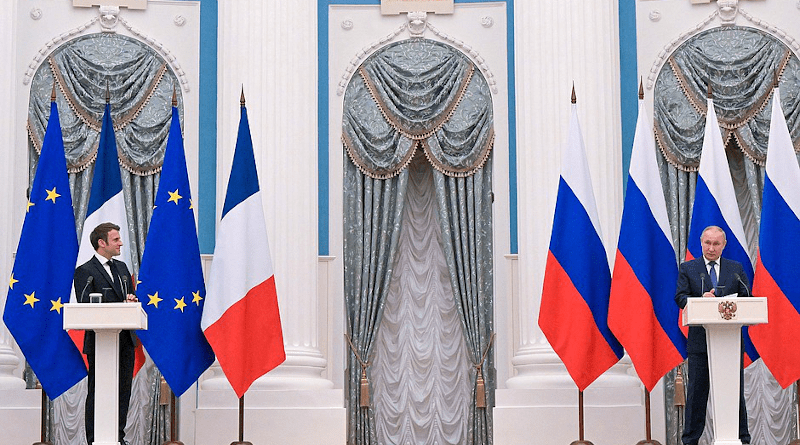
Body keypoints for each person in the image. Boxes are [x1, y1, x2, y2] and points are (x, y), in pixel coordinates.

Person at [674, 225, 750, 445]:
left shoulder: (735, 268)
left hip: (729, 343)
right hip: (700, 343)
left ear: (724, 245)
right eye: (708, 243)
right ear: (701, 242)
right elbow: (680, 297)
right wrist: (700, 300)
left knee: (734, 393)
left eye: (716, 243)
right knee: (697, 394)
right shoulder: (689, 268)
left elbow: (747, 296)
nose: (711, 247)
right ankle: (690, 441)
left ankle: (742, 439)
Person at [73, 222, 138, 445]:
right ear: (102, 243)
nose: (121, 243)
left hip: (125, 340)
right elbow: (84, 306)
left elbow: (128, 297)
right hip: (101, 341)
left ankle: (118, 438)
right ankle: (94, 439)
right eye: (116, 240)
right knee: (97, 392)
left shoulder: (121, 269)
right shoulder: (85, 271)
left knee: (123, 393)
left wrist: (130, 301)